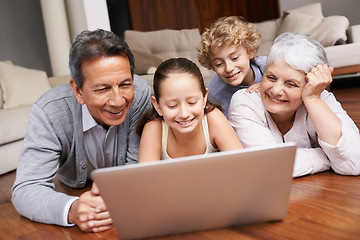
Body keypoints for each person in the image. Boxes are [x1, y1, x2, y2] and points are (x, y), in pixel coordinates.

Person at [12, 29, 151, 232]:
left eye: (125, 84)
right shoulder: (49, 111)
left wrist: (118, 193)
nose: (118, 101)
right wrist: (72, 209)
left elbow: (137, 167)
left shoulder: (140, 94)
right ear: (78, 90)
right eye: (103, 88)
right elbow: (27, 188)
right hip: (76, 191)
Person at [228, 32, 360, 177]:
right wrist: (327, 157)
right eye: (271, 77)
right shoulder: (245, 101)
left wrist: (312, 99)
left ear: (313, 85)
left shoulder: (321, 99)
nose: (276, 90)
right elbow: (270, 166)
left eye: (290, 84)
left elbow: (354, 163)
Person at [136, 58, 243, 162]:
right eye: (172, 106)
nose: (184, 114)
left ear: (204, 98)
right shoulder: (154, 128)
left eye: (192, 102)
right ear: (157, 106)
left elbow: (242, 165)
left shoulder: (213, 119)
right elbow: (145, 180)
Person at [198, 16, 266, 117]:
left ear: (250, 51)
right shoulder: (214, 94)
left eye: (234, 58)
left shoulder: (268, 68)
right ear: (212, 66)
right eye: (219, 64)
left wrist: (269, 86)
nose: (229, 68)